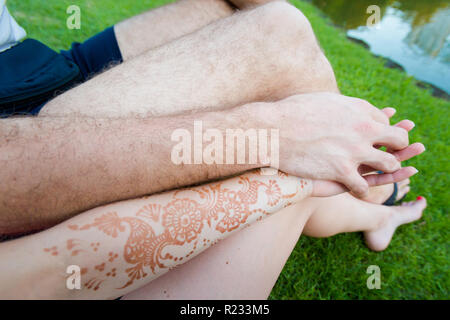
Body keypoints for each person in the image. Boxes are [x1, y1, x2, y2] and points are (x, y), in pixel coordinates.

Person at [0, 0, 426, 299]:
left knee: (267, 18)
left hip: (28, 64)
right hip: (28, 130)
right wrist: (270, 137)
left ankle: (373, 201)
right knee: (286, 49)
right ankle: (375, 201)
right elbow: (48, 271)